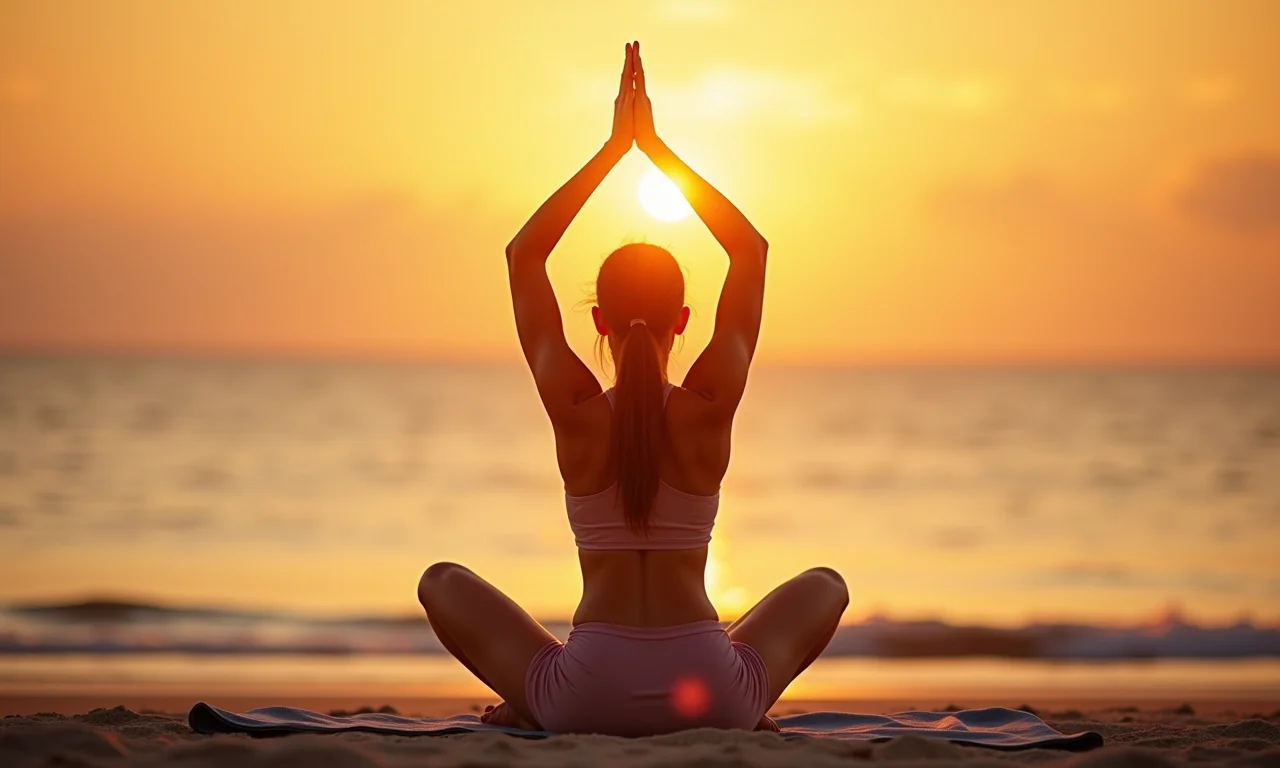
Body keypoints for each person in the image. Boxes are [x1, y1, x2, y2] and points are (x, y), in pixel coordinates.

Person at [417, 41, 848, 736]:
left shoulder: (577, 412)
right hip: (712, 693)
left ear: (597, 320)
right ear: (684, 320)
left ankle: (525, 704)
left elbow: (523, 255)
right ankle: (749, 712)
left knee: (439, 579)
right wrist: (657, 149)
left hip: (579, 697)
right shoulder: (710, 409)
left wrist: (615, 148)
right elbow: (750, 251)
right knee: (827, 584)